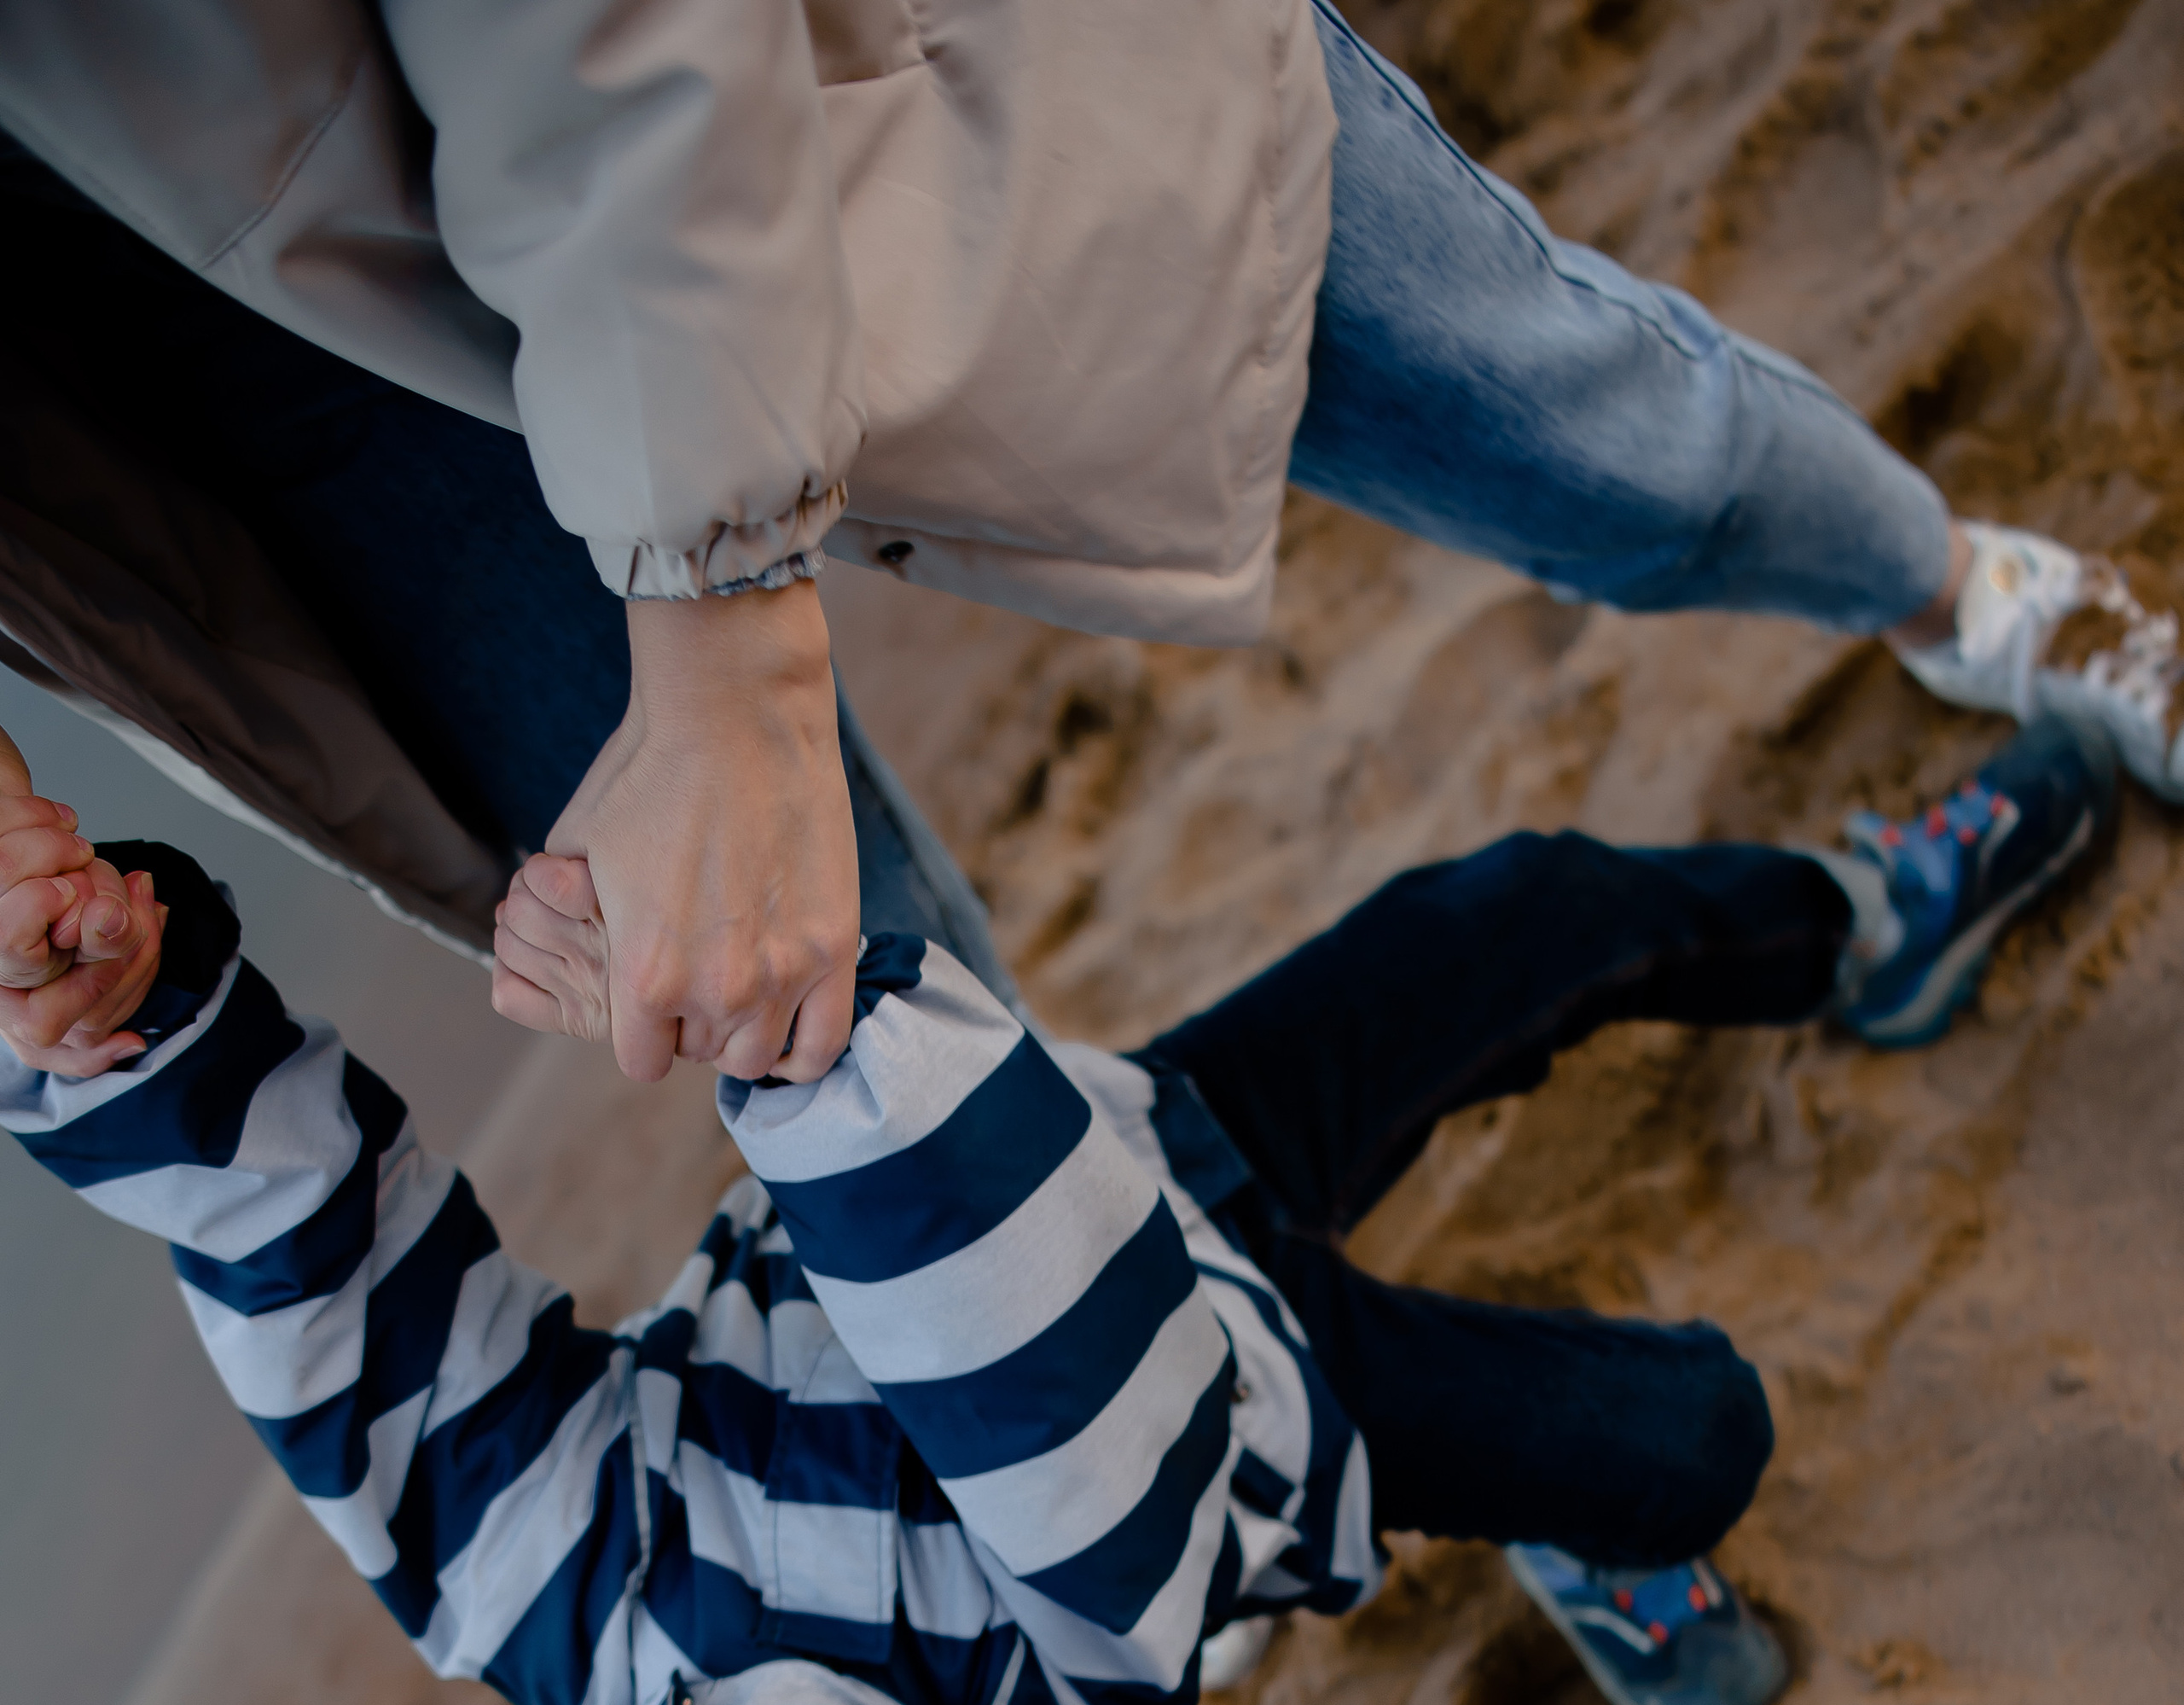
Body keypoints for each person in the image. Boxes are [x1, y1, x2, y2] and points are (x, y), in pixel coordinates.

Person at [0, 707, 2115, 1705]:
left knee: (1528, 912)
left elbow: (351, 1332)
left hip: (1145, 1149)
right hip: (1262, 1398)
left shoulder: (575, 1605)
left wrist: (134, 1053)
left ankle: (1852, 919)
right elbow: (1038, 1367)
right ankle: (1586, 1534)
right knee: (1691, 1437)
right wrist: (774, 1027)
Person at [1, 6, 2174, 1085]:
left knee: (1587, 437)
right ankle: (1443, 1427)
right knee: (910, 1075)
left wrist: (725, 614)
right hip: (245, 422)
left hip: (803, 60)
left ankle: (1964, 592)